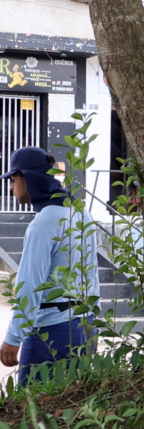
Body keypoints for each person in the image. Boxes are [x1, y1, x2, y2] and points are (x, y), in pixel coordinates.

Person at [0, 147, 99, 386]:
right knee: (72, 408)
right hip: (85, 325)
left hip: (51, 331)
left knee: (32, 412)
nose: (12, 188)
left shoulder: (43, 223)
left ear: (27, 178)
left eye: (14, 180)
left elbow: (30, 284)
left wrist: (14, 337)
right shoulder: (79, 212)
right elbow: (91, 272)